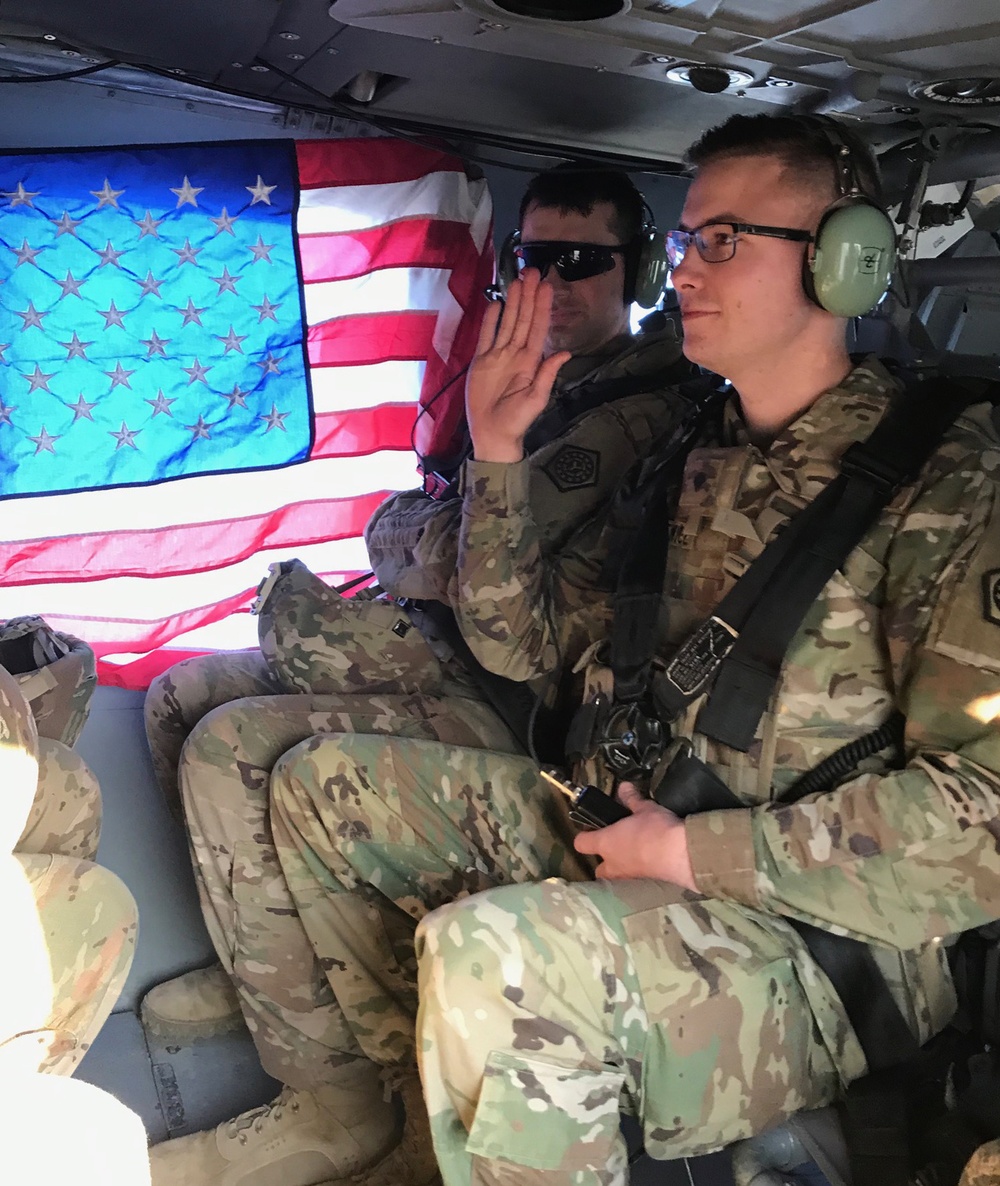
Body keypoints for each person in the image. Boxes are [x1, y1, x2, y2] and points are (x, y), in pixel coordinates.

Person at [398, 113, 1000, 1184]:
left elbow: (982, 827)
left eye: (721, 241)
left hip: (828, 940)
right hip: (629, 828)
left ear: (842, 263)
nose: (683, 271)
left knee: (490, 956)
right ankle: (399, 1129)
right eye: (681, 242)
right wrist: (493, 449)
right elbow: (519, 641)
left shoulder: (952, 486)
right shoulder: (690, 448)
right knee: (307, 786)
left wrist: (695, 855)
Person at [147, 166, 696, 1186]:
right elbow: (411, 526)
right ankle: (280, 973)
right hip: (450, 649)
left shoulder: (635, 411)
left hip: (511, 699)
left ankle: (341, 1091)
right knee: (182, 695)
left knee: (235, 748)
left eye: (583, 261)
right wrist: (436, 528)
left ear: (639, 269)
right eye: (534, 258)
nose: (554, 281)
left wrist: (438, 528)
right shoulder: (542, 381)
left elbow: (463, 568)